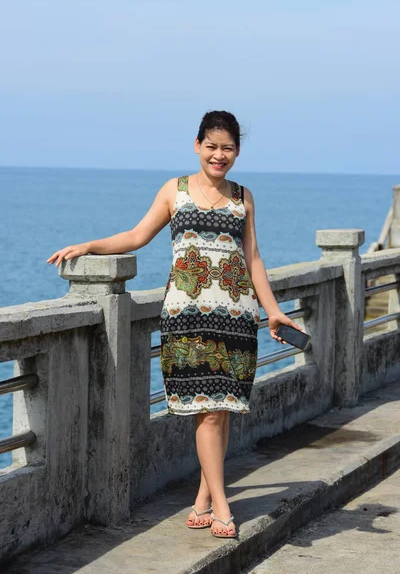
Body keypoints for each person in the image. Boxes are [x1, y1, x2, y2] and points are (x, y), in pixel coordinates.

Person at [47, 110, 302, 539]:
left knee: (220, 412)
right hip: (187, 317)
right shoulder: (175, 190)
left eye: (228, 148)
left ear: (237, 151)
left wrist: (272, 309)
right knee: (205, 410)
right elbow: (136, 236)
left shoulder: (244, 196)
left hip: (237, 315)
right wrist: (89, 244)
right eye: (212, 146)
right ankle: (223, 506)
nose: (219, 155)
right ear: (197, 145)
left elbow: (252, 257)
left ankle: (204, 499)